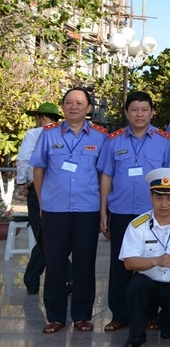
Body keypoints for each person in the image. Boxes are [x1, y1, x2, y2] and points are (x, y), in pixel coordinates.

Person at [29, 87, 107, 334]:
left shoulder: (100, 136)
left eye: (79, 103)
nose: (74, 107)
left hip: (87, 209)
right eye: (69, 102)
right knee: (54, 264)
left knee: (85, 264)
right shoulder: (48, 134)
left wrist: (103, 210)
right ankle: (55, 317)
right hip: (55, 210)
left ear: (89, 108)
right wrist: (43, 202)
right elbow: (38, 169)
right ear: (62, 107)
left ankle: (82, 316)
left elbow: (104, 174)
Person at [98, 91, 170, 333]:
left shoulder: (165, 141)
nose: (139, 114)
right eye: (134, 109)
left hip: (153, 214)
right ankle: (119, 315)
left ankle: (149, 315)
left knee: (151, 265)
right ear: (126, 112)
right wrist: (103, 211)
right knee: (121, 265)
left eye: (144, 109)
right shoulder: (113, 140)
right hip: (121, 212)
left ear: (152, 112)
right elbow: (106, 176)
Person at [120, 168, 170, 347]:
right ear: (151, 197)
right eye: (159, 198)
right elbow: (128, 263)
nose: (164, 204)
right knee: (135, 285)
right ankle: (136, 335)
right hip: (148, 283)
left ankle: (165, 324)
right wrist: (156, 260)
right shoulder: (138, 225)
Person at [15, 102, 63, 295]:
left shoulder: (34, 134)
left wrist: (21, 182)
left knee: (43, 234)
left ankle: (33, 277)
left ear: (42, 117)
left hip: (37, 187)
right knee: (48, 235)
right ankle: (62, 276)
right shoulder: (61, 133)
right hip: (56, 188)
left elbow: (24, 159)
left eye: (37, 117)